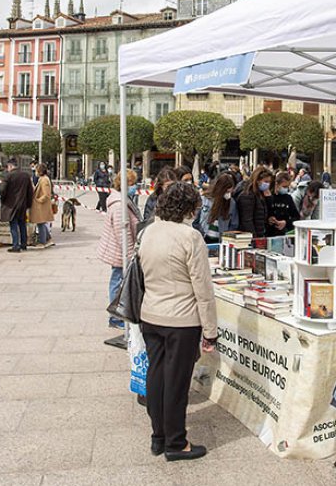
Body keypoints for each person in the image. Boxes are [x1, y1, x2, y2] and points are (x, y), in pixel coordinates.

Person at [139, 182, 216, 461]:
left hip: (151, 314)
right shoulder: (190, 236)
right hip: (181, 319)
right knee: (176, 383)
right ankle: (176, 442)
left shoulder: (149, 231)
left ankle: (158, 436)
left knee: (156, 376)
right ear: (189, 208)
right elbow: (203, 288)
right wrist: (211, 330)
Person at [97, 168, 140, 328]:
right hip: (119, 251)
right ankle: (115, 317)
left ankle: (117, 315)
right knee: (117, 282)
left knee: (117, 281)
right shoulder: (119, 205)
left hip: (120, 250)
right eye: (132, 183)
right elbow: (123, 233)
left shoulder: (123, 200)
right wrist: (129, 255)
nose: (135, 186)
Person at [0, 160, 34, 253]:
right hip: (22, 204)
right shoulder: (26, 176)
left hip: (11, 205)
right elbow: (30, 191)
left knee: (13, 225)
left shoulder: (8, 176)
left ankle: (15, 245)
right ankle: (24, 244)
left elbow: (2, 190)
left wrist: (3, 199)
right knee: (22, 225)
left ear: (10, 166)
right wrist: (29, 204)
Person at [199, 173, 239, 241]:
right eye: (226, 191)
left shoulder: (232, 203)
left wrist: (227, 237)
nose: (228, 194)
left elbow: (234, 224)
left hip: (221, 239)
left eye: (230, 192)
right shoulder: (205, 199)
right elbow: (196, 219)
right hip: (204, 237)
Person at [235, 166, 273, 238]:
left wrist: (269, 198)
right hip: (250, 237)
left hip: (259, 233)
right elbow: (247, 221)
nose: (268, 184)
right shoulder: (247, 195)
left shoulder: (259, 194)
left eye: (269, 182)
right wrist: (254, 239)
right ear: (257, 180)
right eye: (266, 181)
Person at [267, 170, 301, 235]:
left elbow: (296, 217)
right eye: (284, 186)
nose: (286, 189)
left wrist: (285, 222)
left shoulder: (288, 198)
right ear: (277, 184)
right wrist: (269, 219)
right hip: (269, 232)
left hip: (284, 232)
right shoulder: (270, 196)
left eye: (288, 187)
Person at [30, 163, 55, 248]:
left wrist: (38, 200)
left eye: (36, 170)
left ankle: (42, 242)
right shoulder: (42, 179)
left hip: (41, 206)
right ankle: (48, 239)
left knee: (41, 223)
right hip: (41, 206)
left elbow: (46, 194)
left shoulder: (44, 180)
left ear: (39, 171)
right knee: (42, 223)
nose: (35, 172)